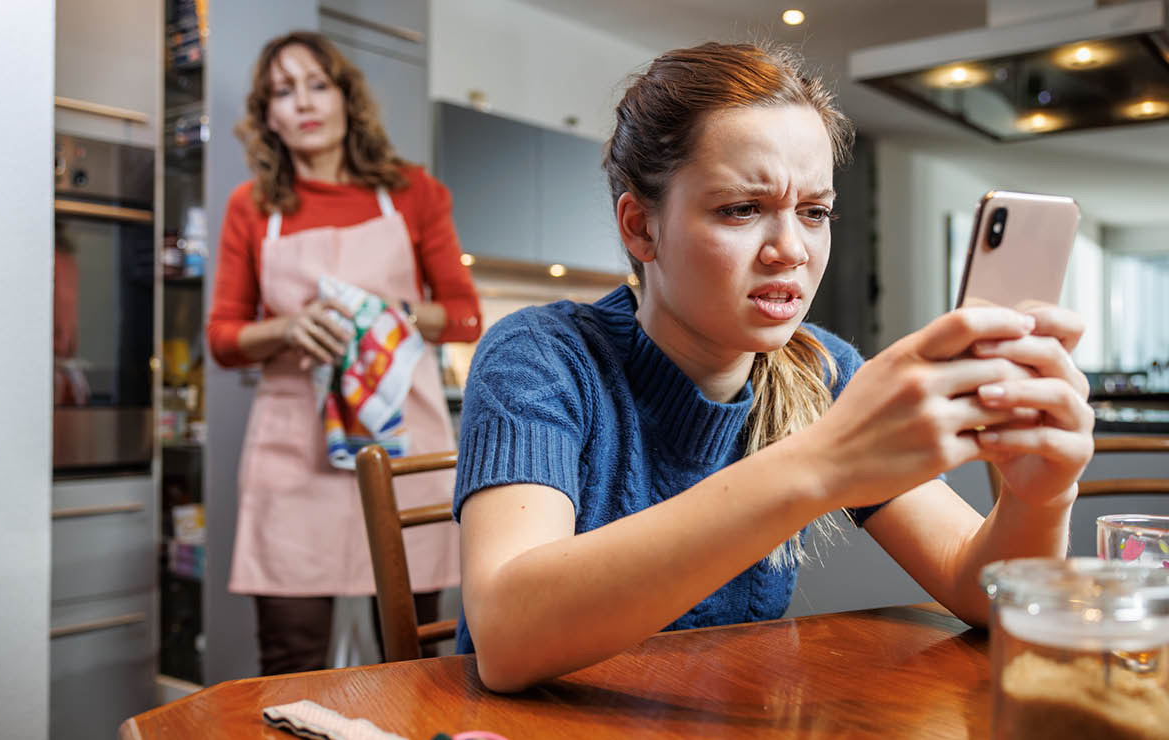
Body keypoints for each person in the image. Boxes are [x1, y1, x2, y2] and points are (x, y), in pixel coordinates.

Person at [452, 42, 1092, 692]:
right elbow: (507, 639)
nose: (791, 249)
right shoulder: (540, 356)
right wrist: (823, 463)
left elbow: (981, 593)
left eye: (814, 212)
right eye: (741, 209)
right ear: (641, 228)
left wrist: (1039, 496)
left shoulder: (821, 369)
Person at [207, 31, 482, 675]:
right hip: (292, 454)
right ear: (266, 114)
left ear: (345, 98)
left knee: (415, 657)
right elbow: (223, 339)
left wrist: (389, 317)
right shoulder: (251, 209)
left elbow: (465, 316)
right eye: (282, 90)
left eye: (317, 84)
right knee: (290, 652)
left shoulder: (414, 193)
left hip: (402, 447)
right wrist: (285, 328)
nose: (302, 102)